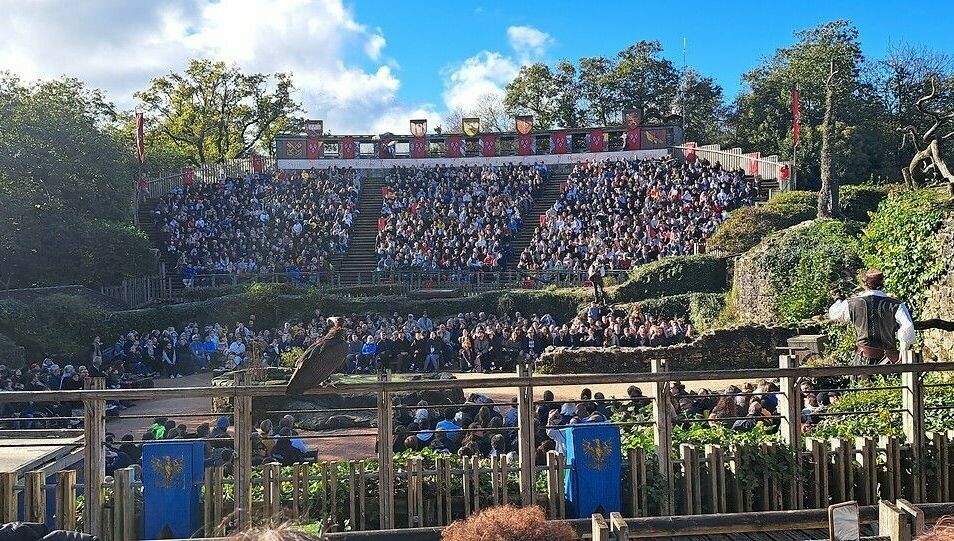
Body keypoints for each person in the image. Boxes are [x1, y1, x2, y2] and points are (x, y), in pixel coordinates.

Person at [828, 268, 916, 364]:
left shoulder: (852, 303)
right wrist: (903, 351)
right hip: (889, 361)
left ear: (864, 284)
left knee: (862, 379)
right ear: (882, 284)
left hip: (863, 360)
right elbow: (908, 326)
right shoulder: (896, 305)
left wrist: (838, 300)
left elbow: (834, 314)